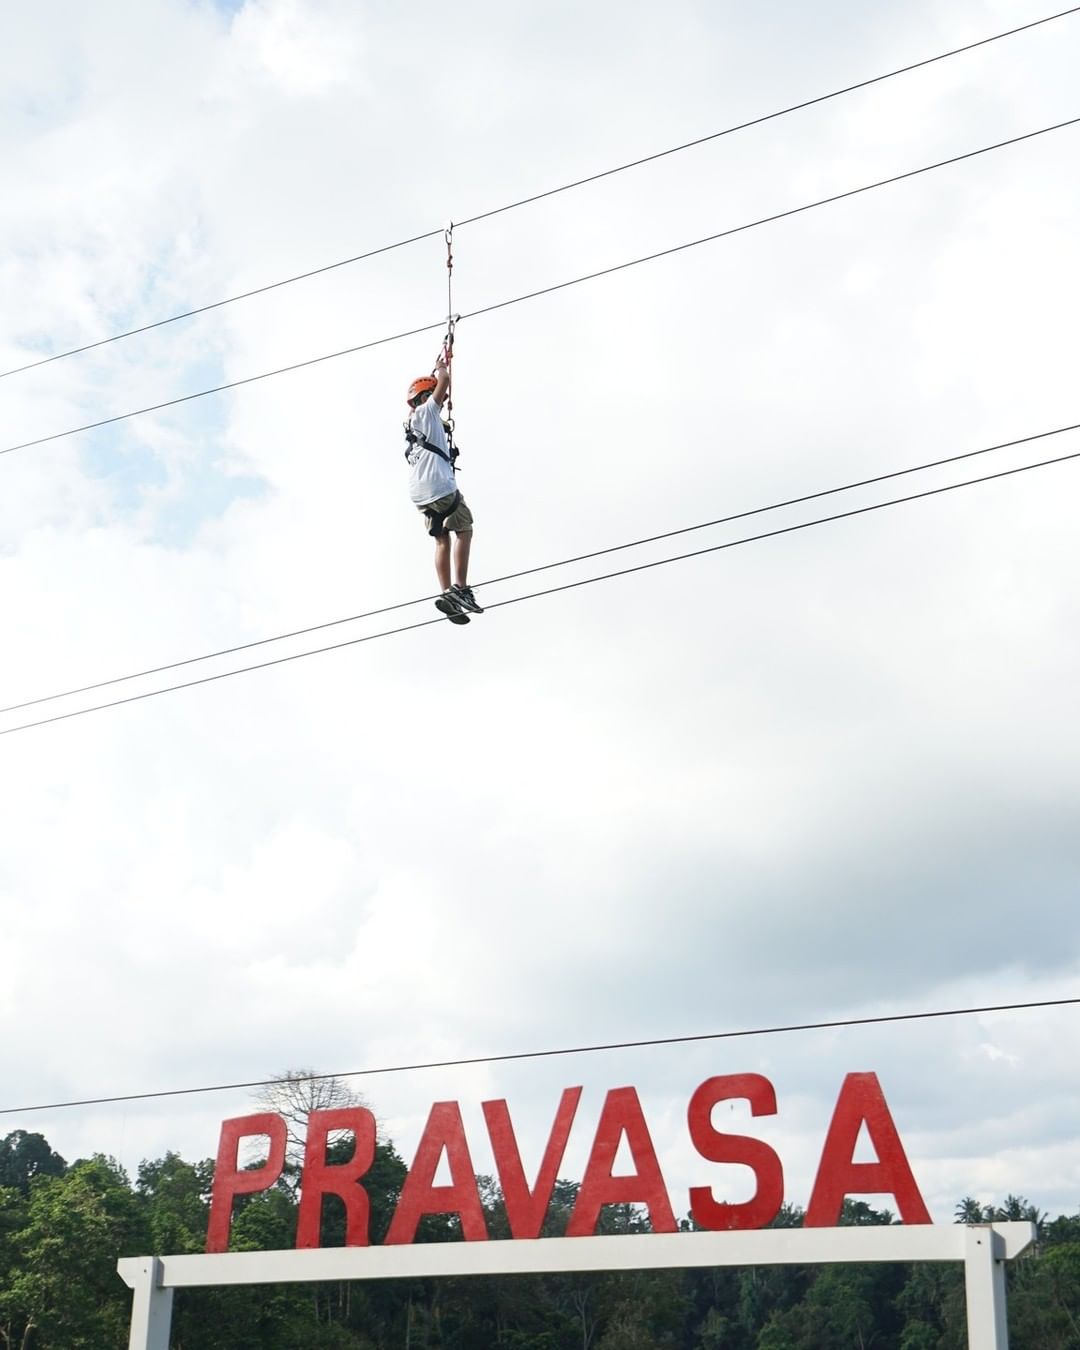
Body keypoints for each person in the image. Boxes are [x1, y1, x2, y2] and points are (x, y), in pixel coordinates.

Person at [404, 354, 483, 622]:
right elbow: (445, 380)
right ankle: (460, 588)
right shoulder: (427, 411)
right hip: (438, 485)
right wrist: (441, 367)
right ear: (426, 396)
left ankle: (447, 591)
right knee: (464, 528)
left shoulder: (412, 425)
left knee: (441, 538)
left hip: (420, 494)